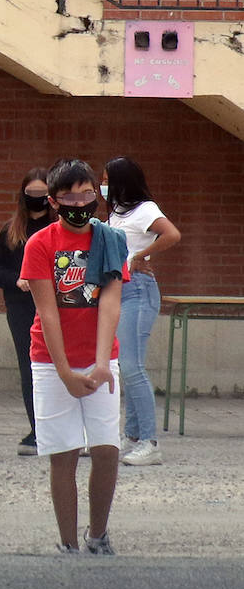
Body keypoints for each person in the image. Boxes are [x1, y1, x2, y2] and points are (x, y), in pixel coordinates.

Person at [20, 157, 127, 555]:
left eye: (87, 194)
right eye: (70, 197)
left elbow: (110, 303)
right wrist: (64, 371)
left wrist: (101, 363)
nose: (80, 204)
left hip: (100, 358)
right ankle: (67, 542)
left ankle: (98, 535)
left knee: (106, 449)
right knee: (62, 454)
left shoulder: (111, 240)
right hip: (51, 362)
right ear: (53, 201)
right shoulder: (40, 244)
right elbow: (47, 312)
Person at [103, 157, 181, 466]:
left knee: (133, 366)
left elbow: (172, 234)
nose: (102, 184)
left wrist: (142, 255)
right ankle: (133, 435)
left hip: (138, 289)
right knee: (126, 365)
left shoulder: (144, 209)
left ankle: (150, 441)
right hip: (120, 288)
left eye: (106, 179)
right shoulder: (117, 213)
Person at [0, 168, 53, 456]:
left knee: (58, 365)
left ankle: (61, 428)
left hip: (56, 305)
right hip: (21, 306)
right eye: (31, 193)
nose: (36, 199)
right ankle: (37, 429)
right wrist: (17, 280)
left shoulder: (58, 228)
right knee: (30, 367)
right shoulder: (12, 230)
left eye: (42, 193)